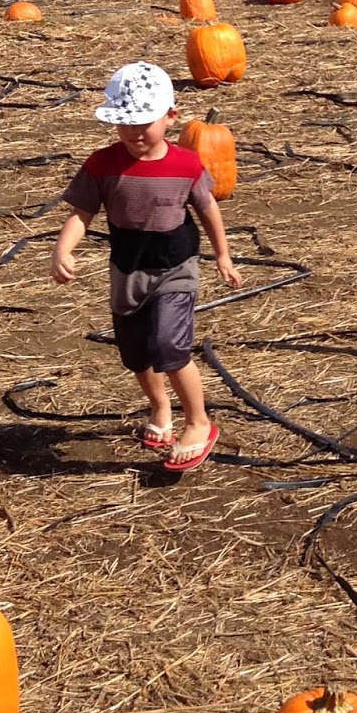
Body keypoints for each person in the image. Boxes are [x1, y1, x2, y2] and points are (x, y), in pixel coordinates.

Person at [52, 61, 243, 471]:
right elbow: (82, 213)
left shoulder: (186, 165)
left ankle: (199, 423)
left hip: (175, 265)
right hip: (127, 266)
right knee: (136, 352)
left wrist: (222, 256)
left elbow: (209, 210)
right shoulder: (102, 164)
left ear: (170, 117)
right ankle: (161, 410)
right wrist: (63, 249)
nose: (136, 133)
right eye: (126, 124)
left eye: (145, 122)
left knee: (168, 346)